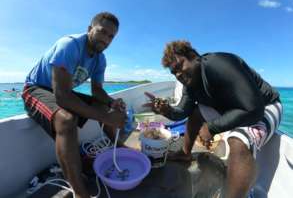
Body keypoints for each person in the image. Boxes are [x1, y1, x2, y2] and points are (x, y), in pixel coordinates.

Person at [144, 40, 282, 198]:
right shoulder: (190, 85)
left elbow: (254, 109)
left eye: (180, 66)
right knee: (196, 112)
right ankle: (184, 153)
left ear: (194, 56)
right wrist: (165, 109)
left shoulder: (219, 63)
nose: (178, 75)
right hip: (232, 108)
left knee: (238, 140)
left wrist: (212, 128)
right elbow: (182, 112)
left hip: (265, 105)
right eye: (174, 72)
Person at [22, 12, 127, 198]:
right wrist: (106, 117)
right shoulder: (69, 45)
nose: (106, 39)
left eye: (111, 36)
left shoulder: (100, 59)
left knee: (103, 106)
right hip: (36, 88)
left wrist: (112, 103)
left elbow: (97, 92)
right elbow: (62, 96)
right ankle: (80, 192)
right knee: (67, 120)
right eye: (102, 32)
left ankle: (118, 147)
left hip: (60, 90)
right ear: (89, 29)